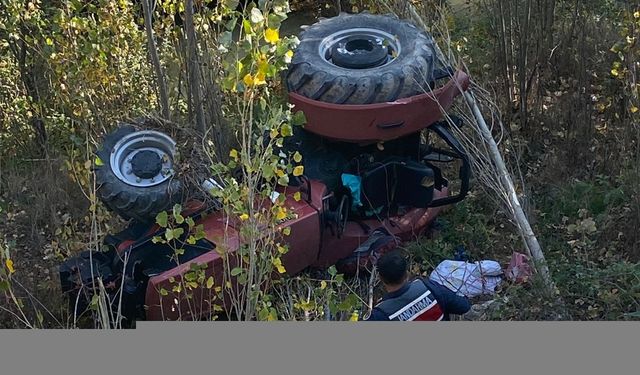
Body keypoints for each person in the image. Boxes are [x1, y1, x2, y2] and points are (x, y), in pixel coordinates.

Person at [366, 251, 471, 321]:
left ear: (381, 279)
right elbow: (464, 306)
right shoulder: (428, 287)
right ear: (406, 274)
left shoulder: (380, 314)